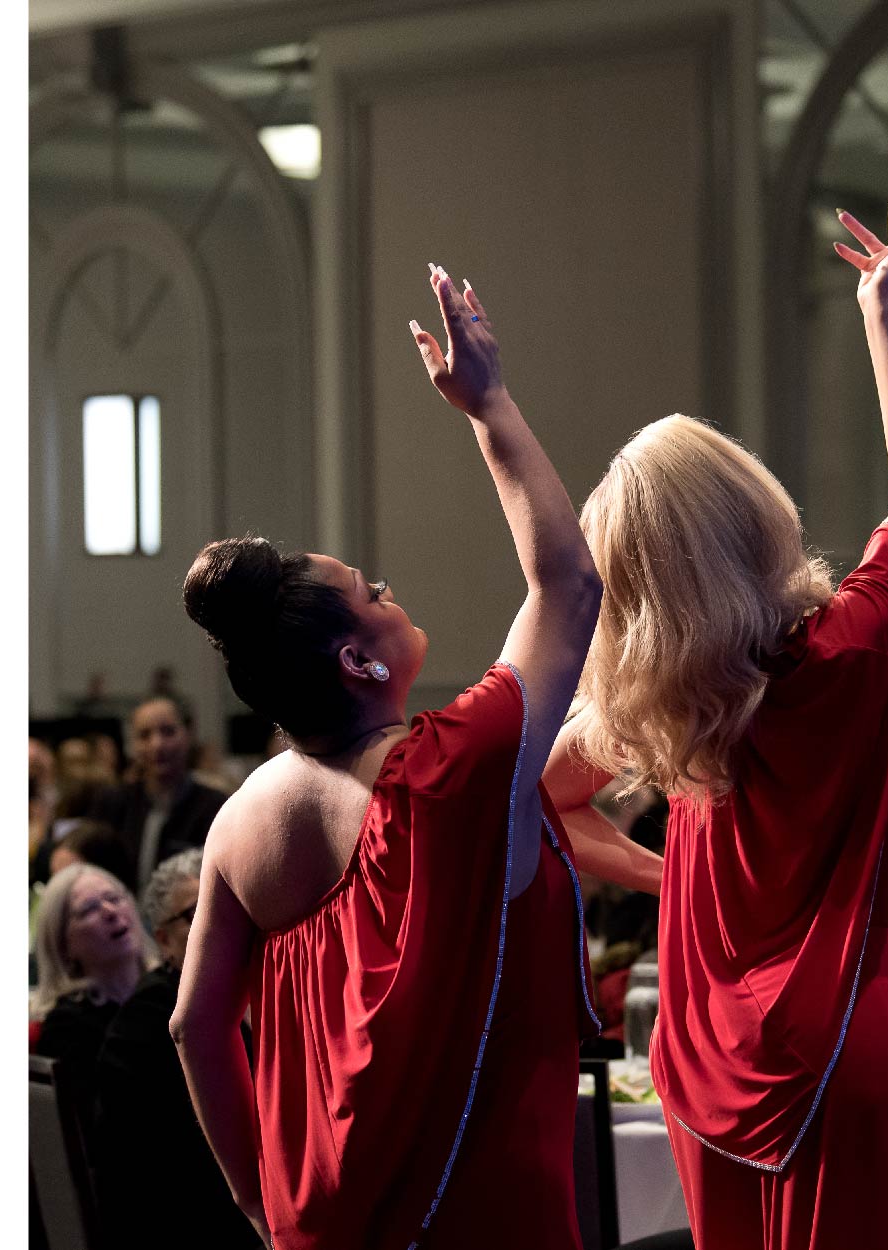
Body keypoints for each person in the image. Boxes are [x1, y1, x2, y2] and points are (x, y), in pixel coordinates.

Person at [169, 265, 614, 1248]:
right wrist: (486, 402)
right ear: (359, 657)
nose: (389, 586)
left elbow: (195, 1026)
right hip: (480, 1207)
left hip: (319, 1220)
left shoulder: (240, 815)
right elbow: (569, 582)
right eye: (372, 587)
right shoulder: (447, 769)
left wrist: (256, 1198)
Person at [552, 204, 888, 1250]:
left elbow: (543, 801)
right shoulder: (851, 645)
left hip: (703, 1062)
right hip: (844, 1046)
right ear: (752, 508)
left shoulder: (652, 703)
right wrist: (883, 315)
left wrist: (662, 874)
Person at [92, 850, 261, 1249]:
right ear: (164, 941)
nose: (224, 917)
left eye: (230, 899)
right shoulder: (148, 1020)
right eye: (197, 911)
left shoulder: (254, 982)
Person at [31, 863, 157, 1093]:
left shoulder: (170, 989)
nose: (110, 911)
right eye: (88, 909)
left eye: (114, 898)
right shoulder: (67, 1028)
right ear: (63, 944)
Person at [92, 696, 231, 890]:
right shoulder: (112, 803)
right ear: (132, 744)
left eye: (168, 732)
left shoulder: (216, 806)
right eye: (144, 735)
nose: (157, 744)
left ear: (189, 734)